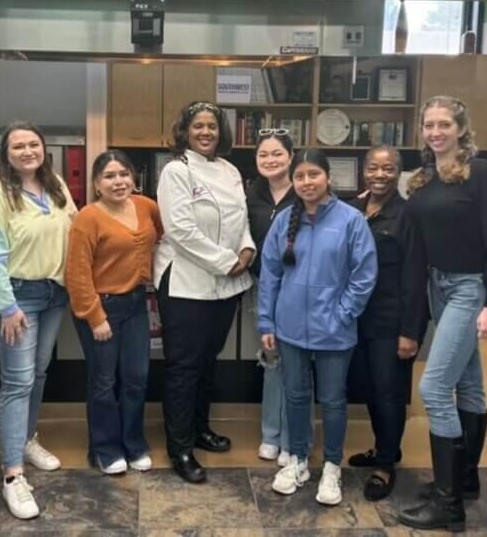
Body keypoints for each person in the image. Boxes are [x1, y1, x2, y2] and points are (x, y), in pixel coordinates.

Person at [398, 96, 487, 533]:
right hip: (439, 285)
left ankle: (448, 506)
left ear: (461, 129)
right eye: (429, 125)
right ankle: (463, 481)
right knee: (468, 385)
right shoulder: (424, 179)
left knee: (433, 386)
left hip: (471, 288)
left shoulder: (483, 176)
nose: (435, 132)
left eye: (444, 124)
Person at [258, 148, 377, 506]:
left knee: (332, 400)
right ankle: (297, 460)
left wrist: (343, 314)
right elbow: (270, 274)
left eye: (314, 175)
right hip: (290, 326)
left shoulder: (351, 220)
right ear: (292, 181)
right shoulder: (284, 222)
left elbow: (364, 275)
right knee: (295, 396)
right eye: (300, 177)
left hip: (334, 329)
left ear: (328, 177)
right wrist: (267, 319)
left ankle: (331, 466)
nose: (307, 182)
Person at [0, 121, 78, 519]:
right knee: (17, 381)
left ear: (43, 149)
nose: (26, 151)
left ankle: (25, 439)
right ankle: (12, 475)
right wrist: (6, 306)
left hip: (54, 294)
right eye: (18, 146)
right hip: (17, 297)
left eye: (33, 144)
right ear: (6, 154)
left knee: (38, 373)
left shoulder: (54, 184)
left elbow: (75, 226)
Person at [155, 100, 256, 484]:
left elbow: (241, 218)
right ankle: (180, 447)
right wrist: (226, 260)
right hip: (186, 284)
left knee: (207, 362)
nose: (205, 133)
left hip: (226, 284)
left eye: (212, 126)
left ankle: (200, 429)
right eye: (198, 126)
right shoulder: (175, 172)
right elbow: (180, 230)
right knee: (184, 368)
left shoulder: (229, 169)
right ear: (184, 130)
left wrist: (246, 248)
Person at [65, 150, 163, 475]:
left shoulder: (147, 206)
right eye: (109, 176)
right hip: (100, 306)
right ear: (96, 184)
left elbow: (158, 236)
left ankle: (133, 443)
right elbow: (77, 274)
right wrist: (95, 317)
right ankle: (105, 449)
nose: (118, 181)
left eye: (123, 174)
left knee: (137, 377)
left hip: (136, 304)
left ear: (132, 177)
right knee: (104, 382)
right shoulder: (87, 218)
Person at [346, 146, 429, 501]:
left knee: (389, 392)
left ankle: (385, 465)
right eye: (373, 168)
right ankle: (384, 448)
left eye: (388, 169)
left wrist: (411, 332)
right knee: (369, 388)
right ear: (364, 170)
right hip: (356, 319)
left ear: (400, 173)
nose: (380, 175)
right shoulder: (353, 209)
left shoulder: (407, 214)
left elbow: (415, 275)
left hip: (391, 320)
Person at [244, 129, 298, 467]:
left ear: (291, 156)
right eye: (263, 155)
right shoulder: (251, 194)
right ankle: (270, 434)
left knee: (296, 363)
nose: (270, 160)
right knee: (271, 359)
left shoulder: (305, 189)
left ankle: (293, 438)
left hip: (299, 289)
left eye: (277, 153)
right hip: (263, 286)